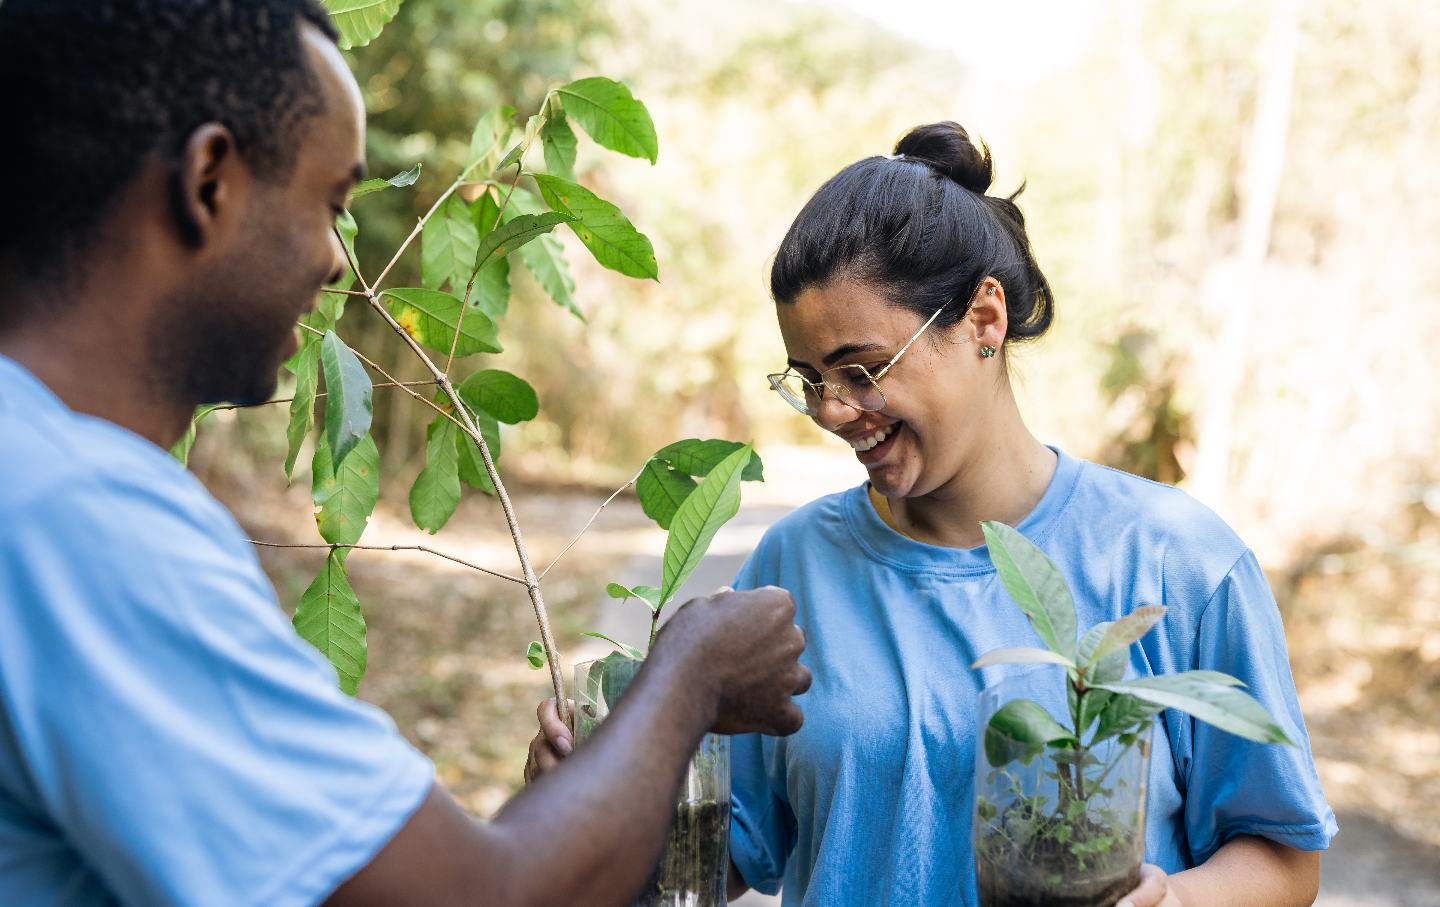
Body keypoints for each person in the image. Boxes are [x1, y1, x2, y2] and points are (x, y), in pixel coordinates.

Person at [0, 3, 812, 906]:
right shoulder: (86, 522)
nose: (334, 263)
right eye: (330, 205)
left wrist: (555, 808)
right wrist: (689, 673)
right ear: (209, 182)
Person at [526, 122, 1336, 905]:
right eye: (809, 379)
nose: (834, 411)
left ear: (985, 320)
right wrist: (588, 800)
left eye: (862, 369)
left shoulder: (1178, 562)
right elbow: (727, 848)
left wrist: (1177, 901)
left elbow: (1281, 855)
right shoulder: (790, 570)